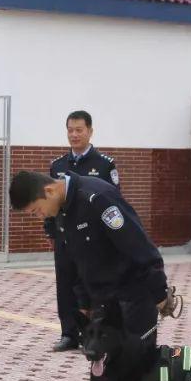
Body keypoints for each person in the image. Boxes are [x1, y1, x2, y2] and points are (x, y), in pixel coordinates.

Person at [10, 169, 169, 381]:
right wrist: (82, 301)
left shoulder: (98, 198)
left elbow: (138, 244)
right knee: (101, 369)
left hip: (134, 297)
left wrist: (159, 290)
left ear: (50, 191)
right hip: (104, 303)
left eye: (36, 210)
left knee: (134, 378)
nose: (38, 216)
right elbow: (74, 260)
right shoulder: (63, 211)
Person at [46, 111, 119, 352]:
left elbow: (113, 202)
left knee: (93, 285)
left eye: (79, 130)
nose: (74, 135)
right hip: (65, 237)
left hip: (93, 240)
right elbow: (50, 203)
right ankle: (69, 333)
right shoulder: (58, 166)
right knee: (65, 284)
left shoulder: (104, 164)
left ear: (90, 131)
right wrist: (51, 232)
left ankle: (94, 335)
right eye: (70, 130)